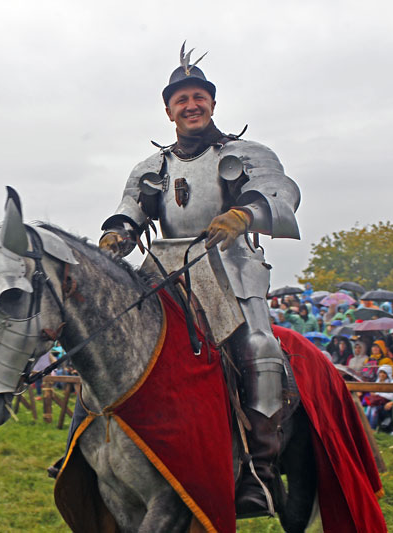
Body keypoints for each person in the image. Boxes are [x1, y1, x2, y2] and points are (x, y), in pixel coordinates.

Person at [99, 43, 301, 516]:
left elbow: (279, 193)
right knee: (109, 345)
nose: (191, 105)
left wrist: (243, 214)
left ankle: (260, 472)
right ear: (168, 110)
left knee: (260, 348)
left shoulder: (247, 153)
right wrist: (114, 237)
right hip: (165, 274)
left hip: (231, 269)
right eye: (181, 99)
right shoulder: (150, 169)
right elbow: (129, 213)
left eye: (199, 97)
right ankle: (87, 449)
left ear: (212, 102)